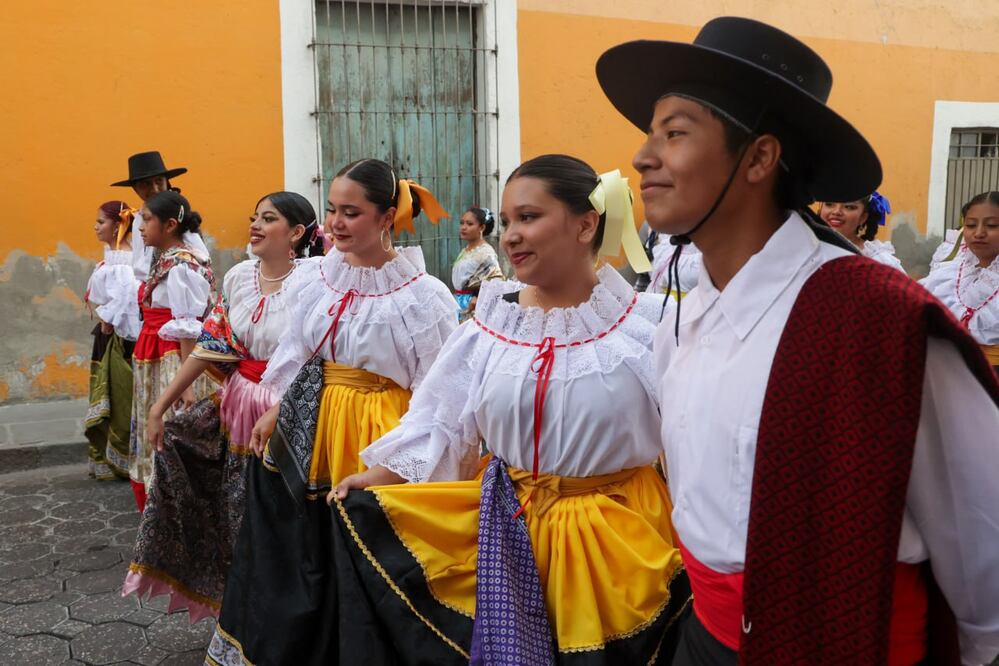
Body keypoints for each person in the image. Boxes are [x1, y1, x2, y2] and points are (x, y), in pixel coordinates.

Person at [597, 16, 999, 664]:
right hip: (703, 639)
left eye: (674, 134)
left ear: (758, 157)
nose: (643, 157)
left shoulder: (878, 319)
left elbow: (979, 526)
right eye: (650, 134)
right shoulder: (687, 316)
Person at [324, 155, 689, 665]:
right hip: (508, 528)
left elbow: (692, 441)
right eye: (509, 220)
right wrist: (380, 474)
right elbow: (443, 420)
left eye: (529, 217)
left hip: (618, 543)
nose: (511, 235)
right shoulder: (490, 328)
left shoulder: (648, 328)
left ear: (586, 224)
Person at [206, 159, 458, 665]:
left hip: (379, 433)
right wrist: (277, 406)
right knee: (304, 553)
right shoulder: (316, 279)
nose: (336, 223)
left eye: (352, 212)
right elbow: (299, 352)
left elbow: (440, 392)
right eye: (331, 210)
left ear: (387, 217)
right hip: (313, 426)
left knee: (366, 556)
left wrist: (398, 464)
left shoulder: (423, 297)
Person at [123, 192, 325, 621]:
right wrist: (160, 407)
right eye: (254, 216)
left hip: (295, 415)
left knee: (289, 523)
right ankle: (243, 612)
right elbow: (213, 346)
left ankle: (296, 617)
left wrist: (285, 408)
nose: (254, 224)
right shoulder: (238, 278)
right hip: (238, 407)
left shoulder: (319, 282)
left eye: (268, 219)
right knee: (239, 515)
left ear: (296, 233)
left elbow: (322, 361)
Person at [128, 191, 215, 512]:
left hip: (172, 357)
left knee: (169, 429)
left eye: (146, 220)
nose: (140, 227)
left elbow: (189, 327)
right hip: (154, 349)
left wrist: (187, 384)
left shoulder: (181, 266)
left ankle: (175, 504)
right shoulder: (167, 259)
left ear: (170, 225)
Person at [84, 200, 139, 480]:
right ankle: (107, 458)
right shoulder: (113, 254)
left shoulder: (124, 261)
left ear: (118, 225)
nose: (96, 227)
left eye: (101, 222)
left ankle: (120, 458)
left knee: (117, 396)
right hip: (108, 333)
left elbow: (126, 298)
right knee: (106, 393)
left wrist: (108, 320)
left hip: (116, 337)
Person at [921, 191, 999, 371]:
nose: (979, 233)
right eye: (971, 225)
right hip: (949, 373)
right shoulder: (947, 275)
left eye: (992, 225)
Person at [110, 151, 193, 283]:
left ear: (167, 182)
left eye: (159, 181)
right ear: (135, 189)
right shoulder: (138, 219)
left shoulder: (177, 216)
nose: (155, 189)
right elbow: (139, 264)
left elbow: (198, 261)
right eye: (146, 184)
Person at [819, 191, 904, 270]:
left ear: (863, 217)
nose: (836, 211)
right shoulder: (809, 247)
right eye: (829, 204)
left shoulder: (878, 261)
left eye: (849, 207)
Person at [452, 206, 503, 321]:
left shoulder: (486, 252)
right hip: (458, 302)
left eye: (469, 224)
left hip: (473, 304)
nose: (463, 227)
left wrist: (477, 297)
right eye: (462, 223)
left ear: (482, 227)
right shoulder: (465, 250)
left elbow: (495, 280)